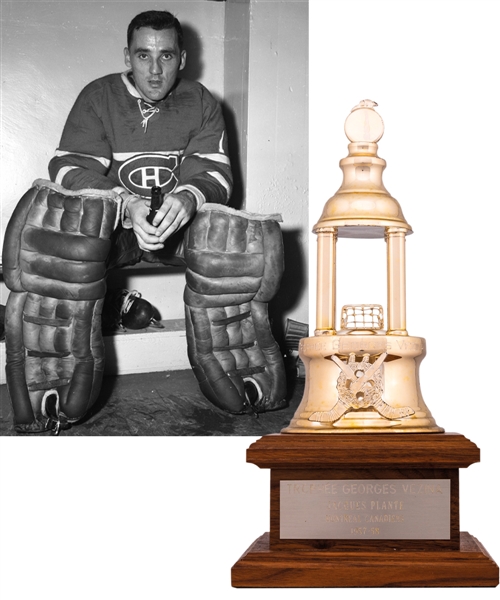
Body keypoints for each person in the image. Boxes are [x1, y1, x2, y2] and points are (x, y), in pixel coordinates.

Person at [48, 9, 232, 267]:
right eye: (143, 55)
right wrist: (126, 203)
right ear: (128, 57)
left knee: (247, 246)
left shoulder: (201, 100)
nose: (155, 70)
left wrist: (188, 198)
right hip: (115, 228)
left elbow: (215, 173)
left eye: (166, 55)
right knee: (75, 246)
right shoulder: (98, 96)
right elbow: (69, 167)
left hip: (179, 229)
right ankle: (117, 308)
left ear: (181, 59)